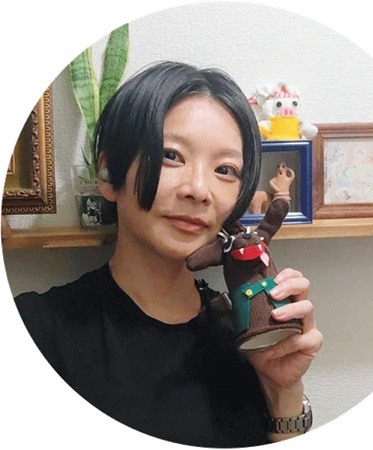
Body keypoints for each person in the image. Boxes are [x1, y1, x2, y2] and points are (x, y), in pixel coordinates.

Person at [14, 61, 323, 448]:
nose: (199, 189)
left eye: (225, 169)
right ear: (109, 173)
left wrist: (282, 390)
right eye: (172, 156)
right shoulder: (35, 329)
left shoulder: (246, 333)